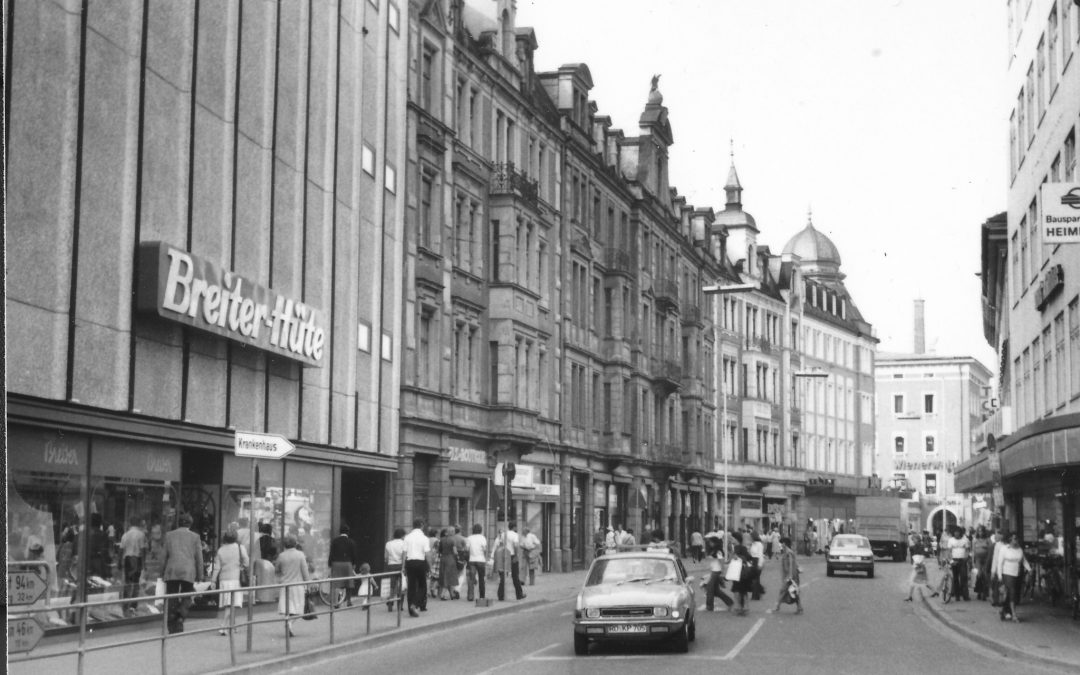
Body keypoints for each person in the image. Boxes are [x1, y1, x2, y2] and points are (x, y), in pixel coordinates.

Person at [161, 513, 205, 634]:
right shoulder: (195, 537)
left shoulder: (169, 535)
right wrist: (200, 575)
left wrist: (162, 572)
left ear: (178, 523)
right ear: (190, 524)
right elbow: (199, 558)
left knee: (171, 596)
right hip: (188, 570)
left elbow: (163, 556)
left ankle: (172, 625)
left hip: (172, 569)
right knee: (187, 594)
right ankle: (181, 615)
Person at [214, 530, 248, 635]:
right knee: (231, 604)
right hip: (235, 579)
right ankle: (223, 626)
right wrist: (241, 566)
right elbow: (246, 562)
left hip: (223, 580)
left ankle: (233, 626)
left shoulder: (220, 550)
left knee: (229, 603)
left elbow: (217, 567)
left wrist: (213, 580)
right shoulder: (240, 548)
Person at [274, 534, 310, 637]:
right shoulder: (300, 555)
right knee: (299, 610)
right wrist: (308, 583)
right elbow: (305, 571)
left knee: (287, 609)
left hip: (285, 586)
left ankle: (288, 622)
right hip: (297, 585)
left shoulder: (281, 555)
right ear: (295, 543)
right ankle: (289, 623)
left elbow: (277, 570)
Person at [994, 532, 1031, 622]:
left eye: (1017, 539)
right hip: (1007, 573)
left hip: (1017, 573)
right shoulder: (1004, 549)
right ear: (1010, 539)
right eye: (1014, 539)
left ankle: (1005, 610)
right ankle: (1014, 614)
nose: (1016, 540)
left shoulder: (1019, 549)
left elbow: (1023, 560)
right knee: (1012, 592)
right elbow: (1000, 563)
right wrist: (999, 576)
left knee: (1012, 594)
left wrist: (1029, 569)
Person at [403, 518, 431, 617]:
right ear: (422, 525)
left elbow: (404, 553)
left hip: (409, 562)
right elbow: (427, 554)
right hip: (420, 562)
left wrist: (403, 566)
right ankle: (414, 604)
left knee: (411, 586)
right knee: (422, 586)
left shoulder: (407, 537)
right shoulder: (424, 538)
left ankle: (411, 610)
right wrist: (430, 567)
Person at [768, 537, 803, 614]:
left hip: (791, 576)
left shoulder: (788, 553)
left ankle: (777, 606)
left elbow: (791, 564)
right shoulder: (786, 552)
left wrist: (790, 576)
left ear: (785, 544)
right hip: (789, 575)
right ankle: (800, 607)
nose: (780, 545)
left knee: (783, 591)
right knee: (793, 591)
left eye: (781, 543)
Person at [119, 520, 147, 615]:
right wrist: (144, 563)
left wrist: (120, 561)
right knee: (135, 583)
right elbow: (143, 549)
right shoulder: (141, 534)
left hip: (127, 558)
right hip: (137, 559)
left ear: (130, 524)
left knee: (127, 582)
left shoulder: (125, 534)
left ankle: (125, 604)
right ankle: (133, 605)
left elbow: (121, 549)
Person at [328, 524, 359, 607]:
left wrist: (330, 564)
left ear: (340, 532)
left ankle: (336, 602)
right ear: (348, 532)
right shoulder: (351, 542)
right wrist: (354, 564)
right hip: (347, 563)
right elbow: (354, 555)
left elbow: (331, 554)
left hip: (336, 563)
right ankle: (349, 601)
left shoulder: (334, 541)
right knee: (349, 583)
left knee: (336, 584)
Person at [704, 534, 734, 612]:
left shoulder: (718, 551)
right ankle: (730, 602)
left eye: (711, 542)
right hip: (714, 571)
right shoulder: (714, 550)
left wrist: (723, 573)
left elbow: (721, 562)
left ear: (714, 542)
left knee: (709, 589)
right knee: (716, 591)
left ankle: (709, 606)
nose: (709, 543)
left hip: (716, 572)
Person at [727, 537, 753, 616]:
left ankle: (738, 608)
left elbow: (733, 558)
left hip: (737, 573)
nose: (732, 539)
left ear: (737, 539)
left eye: (733, 538)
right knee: (744, 591)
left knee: (737, 590)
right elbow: (749, 557)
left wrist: (733, 556)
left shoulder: (736, 548)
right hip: (745, 573)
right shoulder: (744, 548)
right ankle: (745, 608)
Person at [383, 527, 406, 612]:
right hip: (400, 565)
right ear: (402, 535)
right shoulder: (404, 544)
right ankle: (400, 605)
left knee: (392, 585)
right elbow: (404, 557)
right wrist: (403, 567)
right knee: (402, 585)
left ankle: (390, 602)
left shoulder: (388, 544)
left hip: (391, 565)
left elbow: (386, 558)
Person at [947, 527, 971, 601]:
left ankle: (965, 595)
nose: (956, 533)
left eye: (958, 532)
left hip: (962, 561)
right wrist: (951, 561)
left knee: (964, 578)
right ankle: (957, 595)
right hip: (954, 561)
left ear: (960, 533)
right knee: (955, 579)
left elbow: (967, 550)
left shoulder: (965, 540)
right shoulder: (951, 540)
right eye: (955, 532)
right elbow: (949, 552)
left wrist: (966, 558)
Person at [465, 524, 488, 601]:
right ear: (481, 530)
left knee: (471, 579)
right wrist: (485, 557)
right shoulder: (483, 538)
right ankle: (482, 596)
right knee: (481, 579)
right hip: (481, 560)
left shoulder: (469, 538)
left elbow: (467, 550)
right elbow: (484, 550)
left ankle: (471, 596)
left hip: (472, 560)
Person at [504, 522, 526, 600]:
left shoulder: (504, 534)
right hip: (512, 555)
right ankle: (519, 594)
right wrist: (516, 556)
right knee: (515, 575)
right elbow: (515, 545)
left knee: (503, 575)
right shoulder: (514, 535)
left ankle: (501, 594)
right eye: (516, 527)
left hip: (504, 555)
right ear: (514, 527)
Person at [437, 528, 459, 600]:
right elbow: (455, 552)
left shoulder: (442, 540)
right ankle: (443, 595)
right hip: (450, 559)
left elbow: (439, 550)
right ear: (452, 532)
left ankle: (452, 594)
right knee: (450, 576)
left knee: (444, 575)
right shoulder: (453, 540)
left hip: (443, 559)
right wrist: (458, 556)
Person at [971, 526, 991, 601]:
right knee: (979, 574)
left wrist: (989, 561)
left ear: (984, 532)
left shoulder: (988, 540)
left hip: (986, 559)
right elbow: (973, 551)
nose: (980, 533)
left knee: (985, 575)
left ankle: (985, 592)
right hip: (978, 559)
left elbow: (990, 551)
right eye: (979, 531)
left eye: (982, 531)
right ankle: (979, 591)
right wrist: (972, 561)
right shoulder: (975, 540)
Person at [749, 531, 766, 600]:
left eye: (751, 537)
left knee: (755, 579)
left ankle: (756, 595)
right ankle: (760, 591)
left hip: (757, 561)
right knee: (754, 579)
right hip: (753, 561)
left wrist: (760, 564)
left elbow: (760, 555)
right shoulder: (753, 544)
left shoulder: (759, 544)